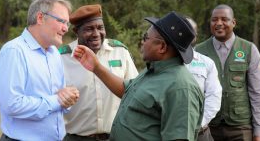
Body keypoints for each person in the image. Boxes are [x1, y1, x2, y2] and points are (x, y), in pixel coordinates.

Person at [73, 11, 204, 141]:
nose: (142, 42)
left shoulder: (181, 88)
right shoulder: (154, 70)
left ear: (162, 47)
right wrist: (96, 67)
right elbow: (127, 90)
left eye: (146, 37)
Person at [0, 0, 80, 141]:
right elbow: (12, 104)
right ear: (40, 18)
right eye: (61, 21)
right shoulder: (15, 51)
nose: (66, 28)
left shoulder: (54, 53)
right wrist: (57, 100)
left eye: (67, 23)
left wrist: (68, 98)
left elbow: (59, 97)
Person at [60, 4, 139, 141]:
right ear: (76, 31)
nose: (96, 34)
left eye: (100, 28)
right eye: (89, 29)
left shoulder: (120, 52)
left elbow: (136, 93)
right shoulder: (62, 58)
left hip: (117, 137)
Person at [195, 4, 260, 141]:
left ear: (233, 22)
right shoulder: (198, 52)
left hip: (240, 128)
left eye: (224, 19)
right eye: (214, 20)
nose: (219, 23)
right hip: (208, 128)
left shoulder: (249, 49)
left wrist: (259, 132)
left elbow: (258, 93)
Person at [185, 17, 222, 141]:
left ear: (195, 36)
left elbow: (214, 96)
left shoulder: (207, 63)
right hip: (168, 132)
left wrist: (198, 124)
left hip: (200, 133)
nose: (185, 35)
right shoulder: (161, 61)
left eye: (190, 31)